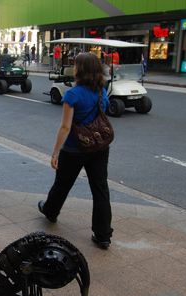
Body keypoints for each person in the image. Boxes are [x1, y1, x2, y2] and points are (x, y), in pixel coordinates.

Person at [38, 53, 113, 250]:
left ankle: (51, 211)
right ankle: (103, 234)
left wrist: (55, 152)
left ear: (81, 70)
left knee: (62, 184)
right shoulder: (101, 92)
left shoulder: (72, 94)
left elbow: (65, 127)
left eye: (76, 65)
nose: (74, 68)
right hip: (99, 147)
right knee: (100, 189)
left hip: (74, 149)